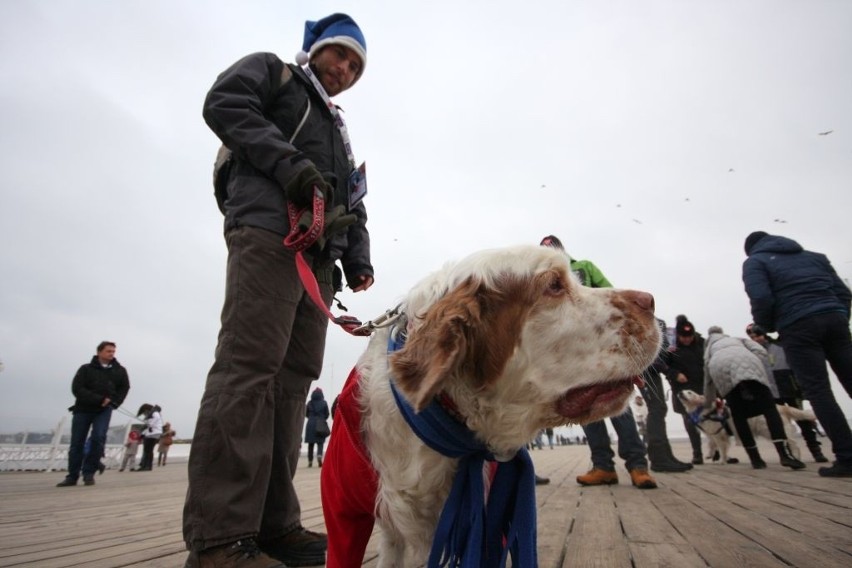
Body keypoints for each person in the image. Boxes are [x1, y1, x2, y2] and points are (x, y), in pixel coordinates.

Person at [183, 13, 374, 568]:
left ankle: (272, 526)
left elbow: (351, 201)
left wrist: (358, 256)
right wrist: (290, 163)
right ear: (314, 49)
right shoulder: (274, 75)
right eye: (339, 55)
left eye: (356, 66)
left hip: (320, 263)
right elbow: (223, 103)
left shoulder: (338, 129)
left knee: (292, 386)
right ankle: (219, 539)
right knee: (248, 369)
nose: (345, 69)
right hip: (270, 232)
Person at [540, 235, 657, 489]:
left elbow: (611, 296)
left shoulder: (585, 267)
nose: (548, 251)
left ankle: (638, 465)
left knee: (619, 407)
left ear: (562, 249)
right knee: (585, 411)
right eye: (544, 248)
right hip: (573, 356)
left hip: (604, 346)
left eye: (551, 247)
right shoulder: (540, 279)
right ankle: (603, 466)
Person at [743, 231, 852, 477]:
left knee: (818, 391)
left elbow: (760, 297)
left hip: (797, 325)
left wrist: (767, 325)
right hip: (835, 319)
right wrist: (839, 316)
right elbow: (844, 293)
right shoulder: (815, 257)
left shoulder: (755, 262)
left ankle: (847, 456)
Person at [703, 326, 806, 470]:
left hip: (720, 368)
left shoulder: (709, 349)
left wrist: (708, 402)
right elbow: (761, 351)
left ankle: (755, 459)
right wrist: (752, 364)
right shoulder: (738, 340)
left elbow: (708, 377)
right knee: (770, 409)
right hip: (748, 363)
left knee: (738, 415)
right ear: (722, 334)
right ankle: (785, 454)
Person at [747, 323, 828, 463]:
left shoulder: (781, 346)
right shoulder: (753, 353)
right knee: (778, 425)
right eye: (752, 337)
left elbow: (798, 366)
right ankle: (789, 453)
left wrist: (803, 387)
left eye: (758, 335)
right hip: (771, 392)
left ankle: (816, 451)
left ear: (764, 334)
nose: (756, 339)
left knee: (804, 421)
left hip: (791, 389)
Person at [57, 341, 130, 487]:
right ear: (99, 352)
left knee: (98, 438)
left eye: (113, 351)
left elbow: (124, 387)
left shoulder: (119, 371)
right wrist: (99, 399)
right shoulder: (85, 369)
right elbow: (77, 388)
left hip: (103, 411)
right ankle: (72, 476)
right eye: (108, 351)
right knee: (77, 443)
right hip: (82, 410)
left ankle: (89, 473)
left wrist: (114, 402)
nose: (111, 354)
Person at [640, 317, 693, 472]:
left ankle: (666, 456)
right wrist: (669, 371)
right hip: (647, 370)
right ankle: (659, 458)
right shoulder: (651, 323)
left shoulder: (658, 324)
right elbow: (648, 352)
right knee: (657, 409)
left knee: (659, 408)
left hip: (651, 370)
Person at [665, 315, 707, 464]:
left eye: (689, 336)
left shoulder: (701, 342)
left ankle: (716, 450)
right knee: (690, 421)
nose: (687, 340)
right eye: (683, 337)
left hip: (702, 386)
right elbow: (664, 365)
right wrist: (675, 374)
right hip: (682, 389)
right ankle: (697, 453)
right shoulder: (671, 346)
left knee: (710, 418)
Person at [304, 388, 330, 468]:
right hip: (320, 423)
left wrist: (311, 418)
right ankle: (319, 455)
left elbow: (306, 413)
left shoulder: (309, 403)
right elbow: (327, 414)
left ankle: (310, 460)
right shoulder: (324, 403)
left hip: (310, 423)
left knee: (310, 444)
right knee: (320, 443)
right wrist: (322, 418)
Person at [136, 404, 163, 471]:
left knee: (148, 451)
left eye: (144, 412)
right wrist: (142, 434)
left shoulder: (155, 412)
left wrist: (150, 424)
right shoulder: (153, 414)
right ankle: (145, 466)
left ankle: (147, 466)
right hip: (152, 433)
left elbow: (155, 419)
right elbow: (148, 426)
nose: (144, 414)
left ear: (146, 410)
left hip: (153, 434)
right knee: (148, 450)